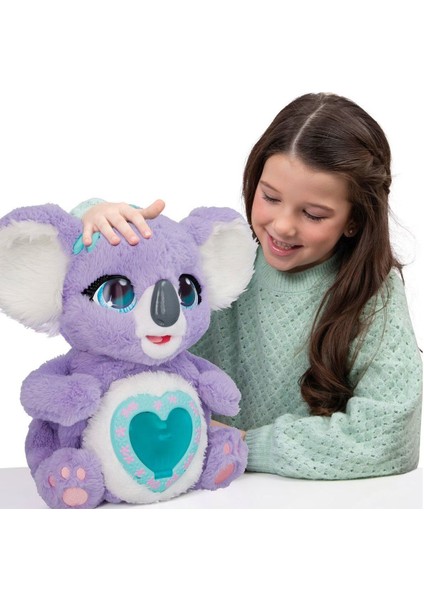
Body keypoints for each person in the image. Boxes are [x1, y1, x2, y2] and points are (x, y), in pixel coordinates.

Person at [73, 92, 422, 480]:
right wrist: (92, 213)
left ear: (354, 220)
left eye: (313, 214)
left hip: (303, 500)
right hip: (183, 487)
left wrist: (243, 444)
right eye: (270, 197)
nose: (282, 226)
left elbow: (390, 437)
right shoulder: (221, 257)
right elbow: (113, 264)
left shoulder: (374, 293)